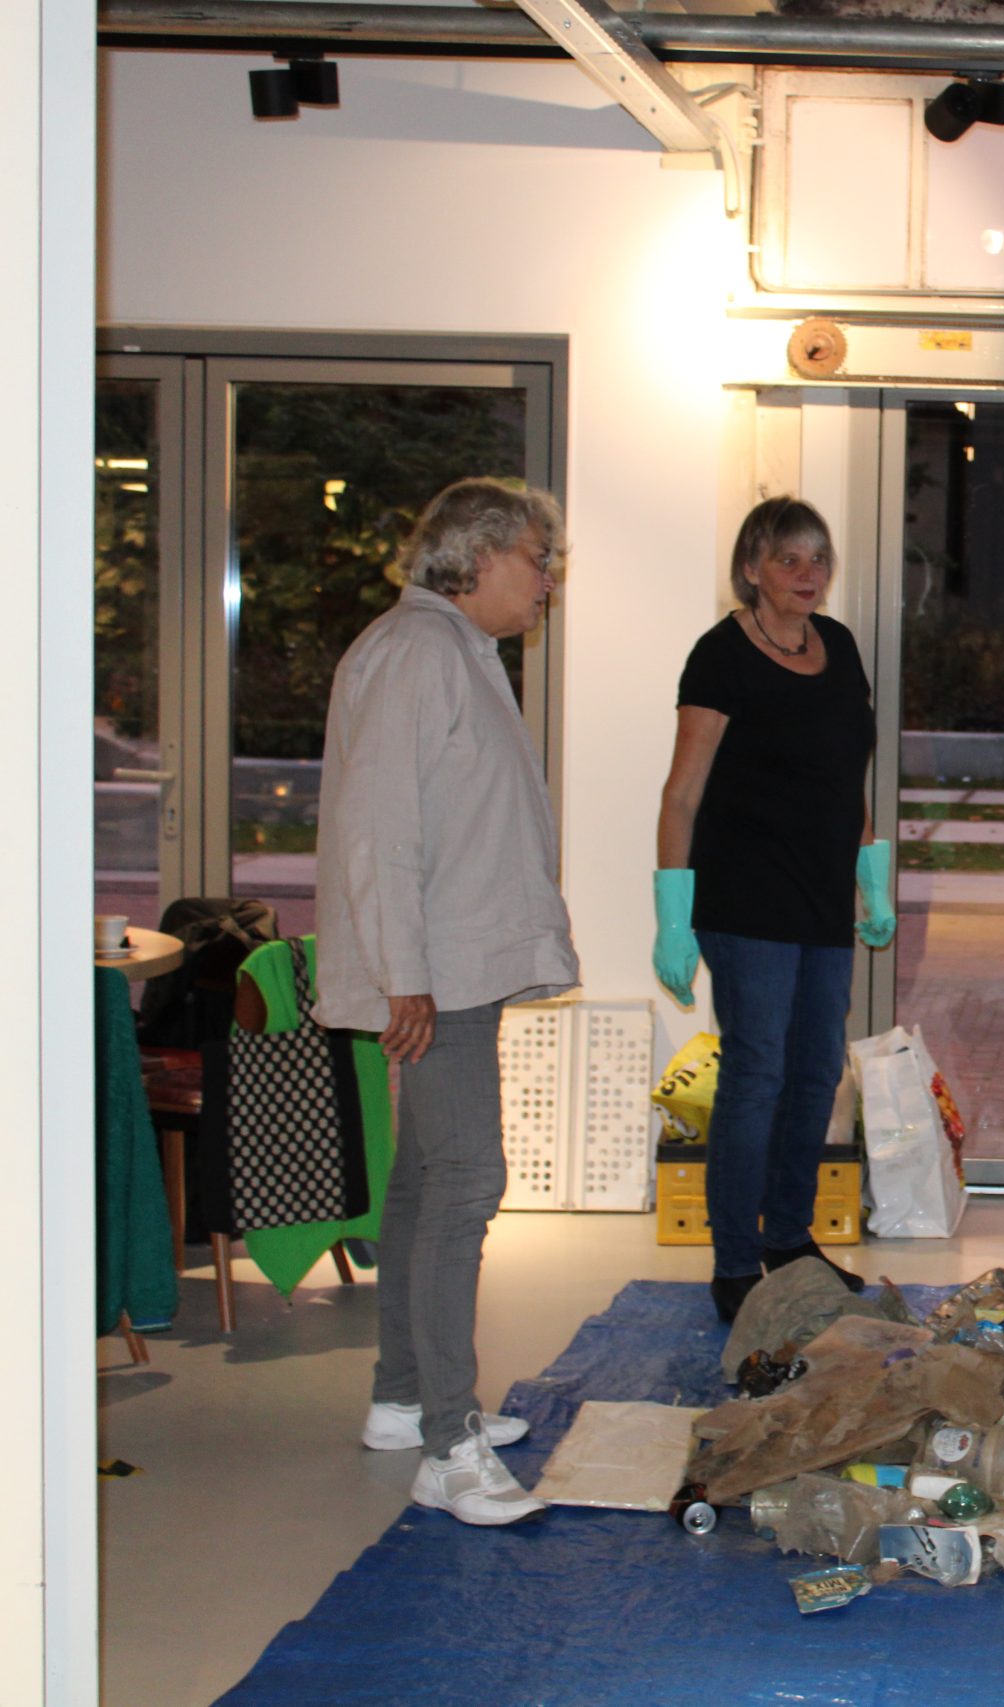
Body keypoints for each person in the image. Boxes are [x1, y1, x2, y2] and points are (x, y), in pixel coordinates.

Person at [315, 478, 580, 1526]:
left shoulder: (455, 650)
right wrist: (402, 974)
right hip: (431, 973)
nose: (548, 580)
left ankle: (401, 1397)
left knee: (425, 1180)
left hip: (451, 963)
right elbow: (381, 830)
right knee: (468, 1181)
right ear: (473, 559)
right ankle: (449, 1447)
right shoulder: (419, 654)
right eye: (536, 558)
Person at [653, 497, 894, 1324]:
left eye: (817, 560)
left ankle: (789, 1239)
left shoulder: (844, 648)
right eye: (787, 560)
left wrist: (872, 878)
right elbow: (682, 792)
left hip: (822, 895)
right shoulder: (720, 656)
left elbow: (845, 778)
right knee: (755, 1075)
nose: (806, 575)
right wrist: (671, 913)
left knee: (817, 1070)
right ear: (751, 566)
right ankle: (733, 1258)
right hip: (744, 898)